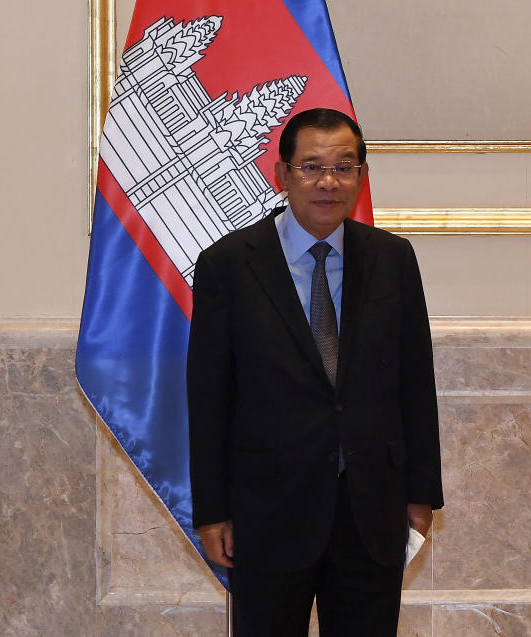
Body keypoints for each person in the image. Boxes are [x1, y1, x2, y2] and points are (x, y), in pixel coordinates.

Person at [187, 108, 443, 636]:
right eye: (311, 167)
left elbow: (415, 384)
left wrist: (421, 496)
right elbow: (208, 398)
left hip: (371, 508)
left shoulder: (393, 259)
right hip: (266, 511)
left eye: (344, 167)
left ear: (362, 177)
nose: (329, 182)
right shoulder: (229, 265)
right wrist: (212, 512)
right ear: (281, 176)